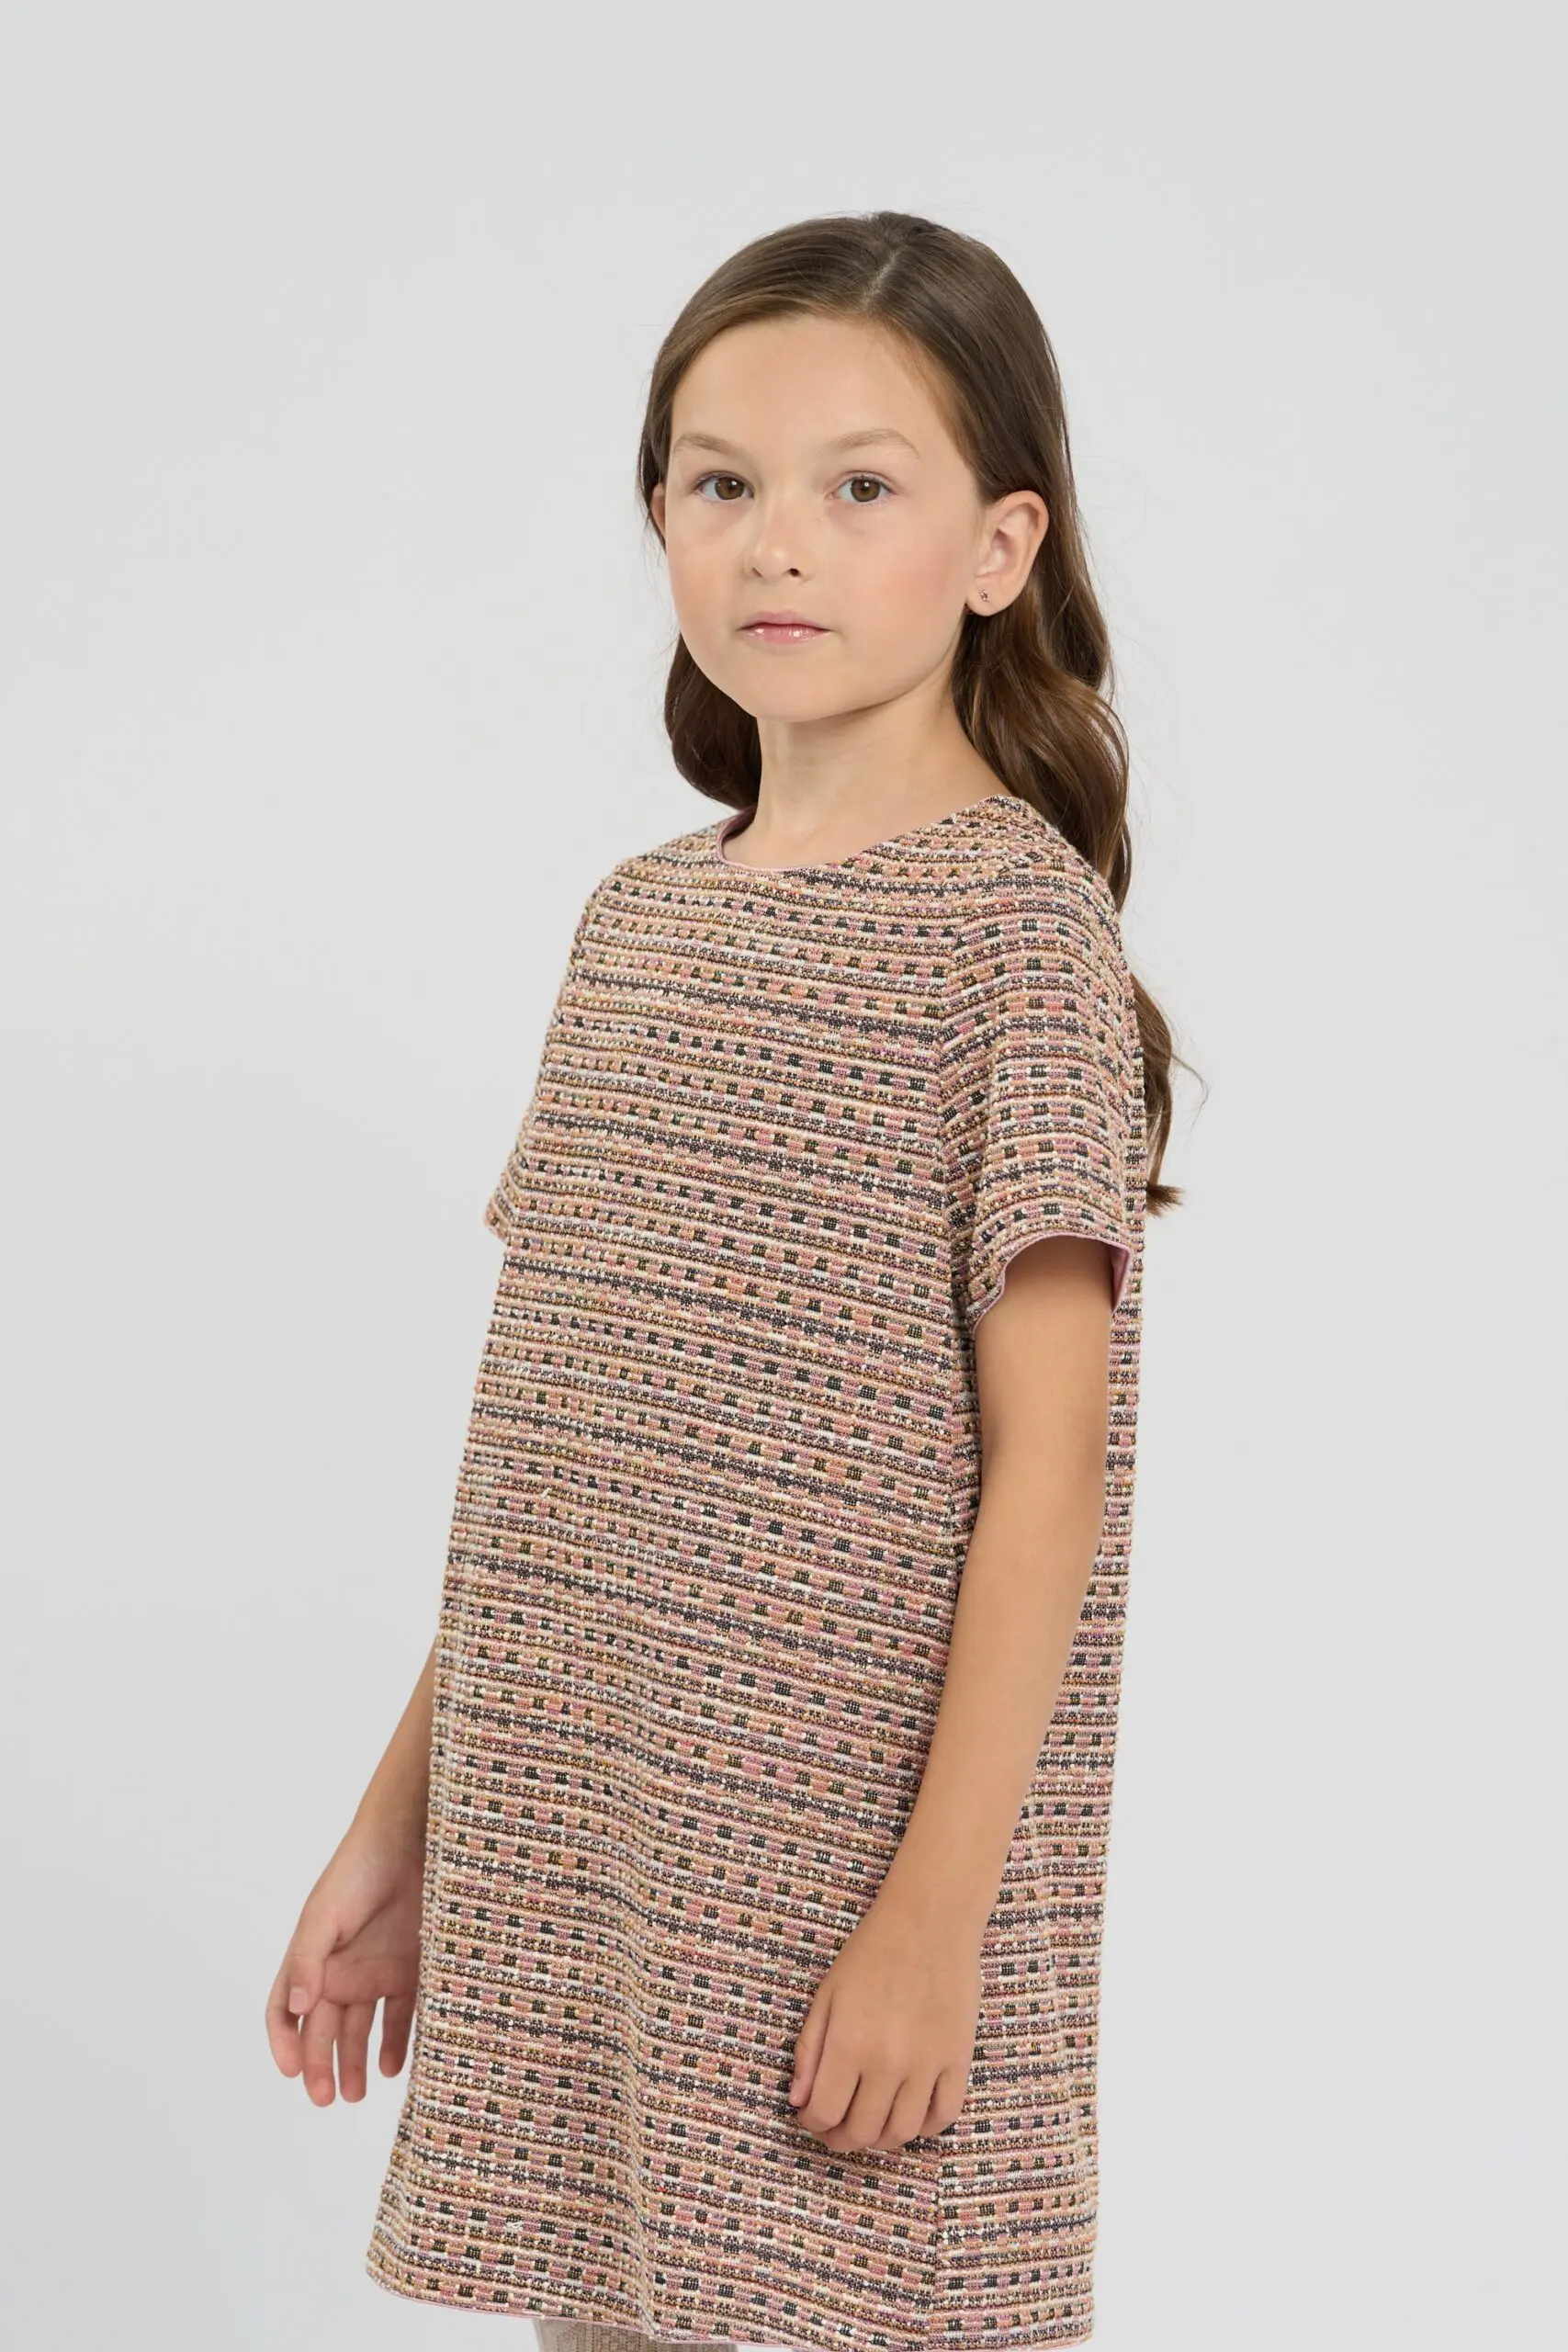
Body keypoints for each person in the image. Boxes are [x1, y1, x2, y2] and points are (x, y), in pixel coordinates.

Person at [265, 208, 1185, 2352]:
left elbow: (1050, 1478)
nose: (777, 541)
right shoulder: (634, 928)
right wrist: (403, 1824)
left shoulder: (1011, 938)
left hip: (839, 1884)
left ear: (1000, 544)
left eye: (860, 486)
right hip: (588, 1857)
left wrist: (936, 1920)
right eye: (718, 482)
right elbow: (559, 1460)